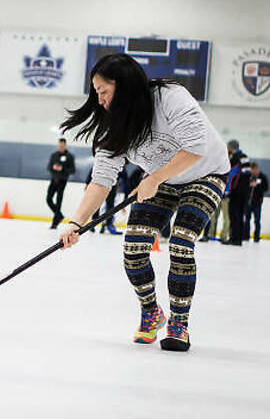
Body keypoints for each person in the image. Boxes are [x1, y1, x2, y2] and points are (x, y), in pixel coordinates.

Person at [58, 54, 230, 352]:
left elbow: (195, 148)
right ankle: (151, 312)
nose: (100, 101)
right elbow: (101, 180)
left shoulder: (170, 97)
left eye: (103, 92)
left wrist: (154, 179)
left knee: (181, 242)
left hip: (207, 173)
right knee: (134, 248)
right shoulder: (115, 126)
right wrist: (76, 222)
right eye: (97, 94)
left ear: (123, 86)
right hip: (160, 181)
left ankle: (179, 322)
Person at [223, 140, 251, 246]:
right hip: (243, 193)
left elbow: (230, 176)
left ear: (230, 147)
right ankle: (237, 239)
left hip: (235, 192)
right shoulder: (244, 157)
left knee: (234, 215)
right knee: (239, 216)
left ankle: (234, 238)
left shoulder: (234, 158)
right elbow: (246, 174)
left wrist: (227, 191)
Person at [46, 138, 76, 228]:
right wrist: (54, 168)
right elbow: (49, 167)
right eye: (59, 146)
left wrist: (62, 169)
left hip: (62, 180)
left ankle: (55, 223)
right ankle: (59, 215)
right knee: (49, 199)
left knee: (59, 201)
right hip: (54, 179)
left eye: (62, 146)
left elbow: (73, 170)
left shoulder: (69, 156)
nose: (61, 147)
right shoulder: (54, 155)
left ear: (65, 145)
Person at [244, 162, 267, 242]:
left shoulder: (262, 177)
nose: (254, 171)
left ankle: (256, 237)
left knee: (257, 220)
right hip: (248, 202)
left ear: (257, 169)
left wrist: (257, 185)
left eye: (255, 170)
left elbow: (265, 188)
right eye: (252, 170)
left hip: (257, 202)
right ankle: (246, 236)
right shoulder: (248, 176)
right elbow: (244, 187)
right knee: (247, 219)